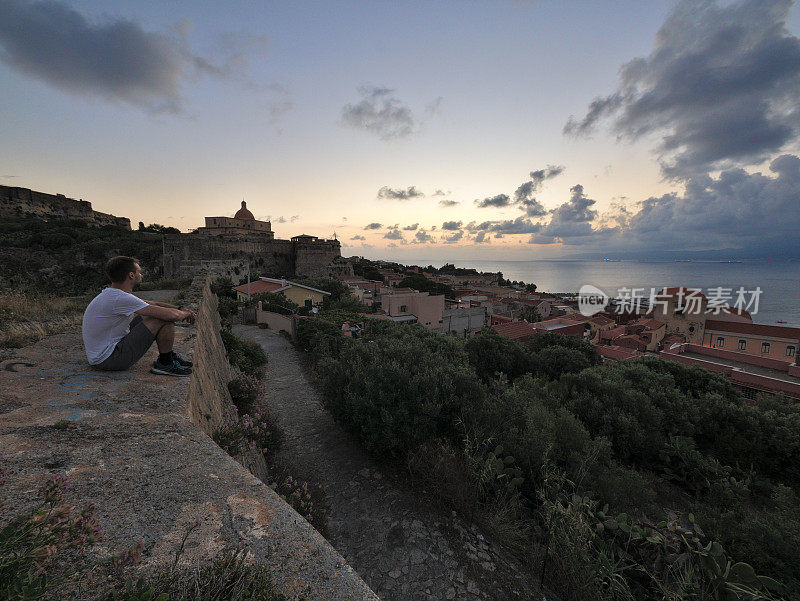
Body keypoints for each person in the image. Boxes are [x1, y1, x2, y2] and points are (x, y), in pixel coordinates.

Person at [82, 256, 197, 376]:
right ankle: (165, 363)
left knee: (152, 315)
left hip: (101, 356)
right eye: (139, 272)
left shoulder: (114, 294)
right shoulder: (120, 298)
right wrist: (187, 313)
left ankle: (168, 356)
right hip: (109, 360)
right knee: (162, 318)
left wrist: (180, 309)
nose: (141, 275)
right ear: (131, 275)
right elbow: (171, 316)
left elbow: (154, 304)